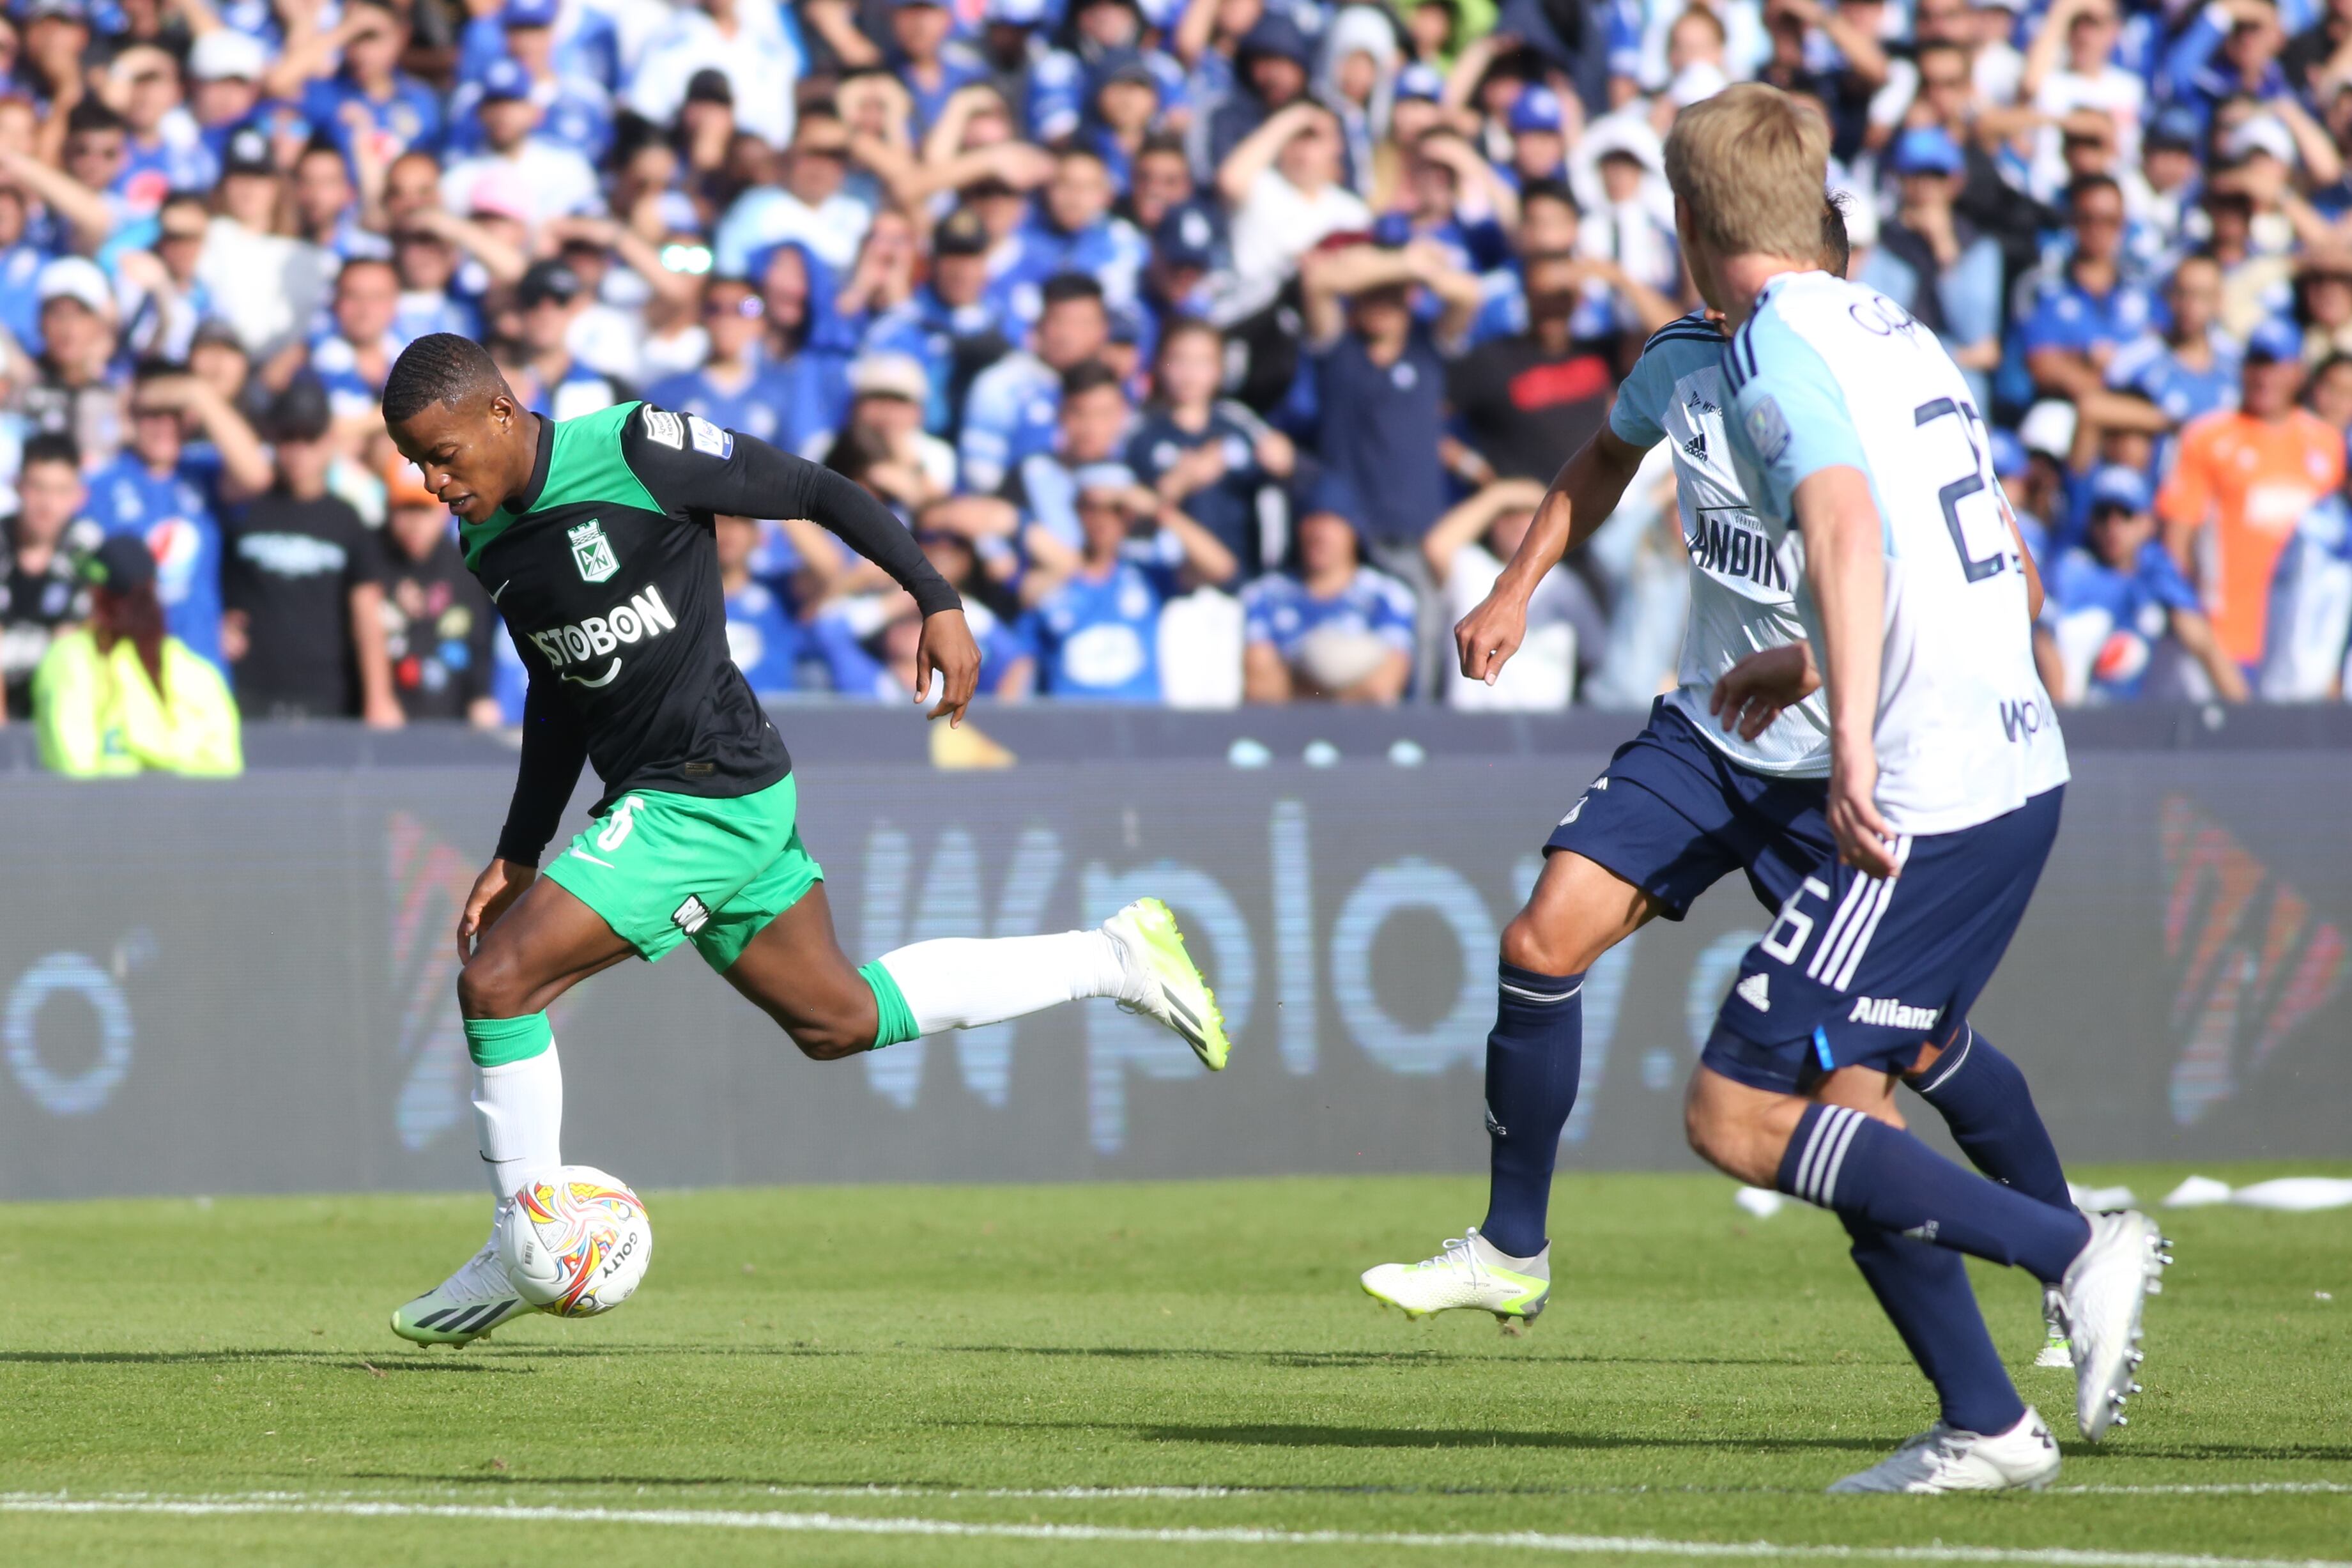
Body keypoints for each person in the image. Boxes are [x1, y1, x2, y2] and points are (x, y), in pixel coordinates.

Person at [1366, 197, 2084, 1402]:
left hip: (1850, 767)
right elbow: (1605, 458)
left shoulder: (1863, 379)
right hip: (1709, 733)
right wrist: (1515, 586)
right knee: (1541, 940)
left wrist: (1818, 661)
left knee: (1907, 1051)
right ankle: (1511, 1247)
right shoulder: (1684, 357)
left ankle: (2070, 1256)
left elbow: (2007, 580)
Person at [379, 334, 1229, 1344]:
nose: (432, 482)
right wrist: (520, 848)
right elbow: (557, 692)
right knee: (838, 1017)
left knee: (497, 983)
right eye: (415, 464)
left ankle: (524, 1238)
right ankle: (1115, 957)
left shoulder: (637, 448)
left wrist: (937, 598)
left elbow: (817, 490)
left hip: (705, 790)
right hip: (696, 798)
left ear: (500, 412)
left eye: (441, 455)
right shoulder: (487, 544)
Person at [1677, 86, 2157, 1489]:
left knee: (1734, 1111)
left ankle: (2072, 1243)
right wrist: (1812, 653)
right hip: (2011, 756)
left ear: (1693, 225)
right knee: (1849, 1096)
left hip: (1928, 785)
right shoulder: (1895, 327)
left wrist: (1848, 740)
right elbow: (1993, 559)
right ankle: (1987, 1424)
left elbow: (1838, 521)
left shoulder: (1768, 343)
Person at [2156, 316, 2346, 672]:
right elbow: (2176, 543)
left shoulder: (2328, 444)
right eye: (2256, 364)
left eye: (2275, 366)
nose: (2264, 377)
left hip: (2301, 647)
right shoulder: (2207, 437)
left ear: (2297, 373)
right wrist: (2199, 633)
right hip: (2224, 643)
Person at [220, 377, 403, 725]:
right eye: (288, 438)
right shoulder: (245, 513)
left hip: (326, 698)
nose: (299, 451)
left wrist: (379, 698)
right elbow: (217, 595)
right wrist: (221, 627)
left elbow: (367, 615)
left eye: (310, 438)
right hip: (248, 694)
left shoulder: (348, 520)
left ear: (329, 441)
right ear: (273, 440)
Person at [1016, 461, 1236, 700]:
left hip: (1139, 718)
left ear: (1130, 515)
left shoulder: (1145, 574)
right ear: (1076, 510)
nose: (1102, 519)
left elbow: (1221, 569)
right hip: (1070, 718)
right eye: (1091, 508)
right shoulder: (1054, 579)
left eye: (1116, 509)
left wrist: (1159, 511)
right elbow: (1022, 660)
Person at [33, 532, 242, 778]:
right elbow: (225, 770)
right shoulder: (196, 670)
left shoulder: (70, 658)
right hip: (188, 804)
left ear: (95, 594)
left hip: (103, 803)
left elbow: (73, 768)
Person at [2038, 466, 2249, 705]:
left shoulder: (2156, 571)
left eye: (2126, 515)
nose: (2113, 527)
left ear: (2147, 523)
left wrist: (2246, 714)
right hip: (2072, 709)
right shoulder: (2070, 569)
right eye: (2103, 515)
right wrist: (2064, 715)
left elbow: (2202, 641)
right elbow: (2045, 643)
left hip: (2130, 715)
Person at [1240, 475, 1416, 703]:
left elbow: (1384, 684)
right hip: (1282, 726)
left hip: (1364, 726)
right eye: (1312, 521)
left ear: (1354, 530)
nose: (1320, 534)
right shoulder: (1264, 595)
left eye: (1332, 522)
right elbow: (1260, 685)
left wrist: (1307, 686)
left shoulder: (1388, 596)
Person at [380, 465, 504, 726]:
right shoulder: (373, 566)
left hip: (452, 718)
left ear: (441, 512)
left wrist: (481, 697)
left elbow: (480, 640)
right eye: (404, 510)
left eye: (423, 510)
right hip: (388, 721)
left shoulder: (465, 567)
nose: (414, 524)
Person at [2, 434, 99, 721]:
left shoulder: (87, 553)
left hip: (59, 712)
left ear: (79, 496)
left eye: (61, 491)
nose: (48, 504)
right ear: (18, 486)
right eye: (38, 488)